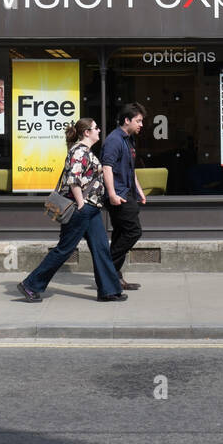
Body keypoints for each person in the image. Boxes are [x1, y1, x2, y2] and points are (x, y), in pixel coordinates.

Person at [18, 118, 125, 303]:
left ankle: (108, 290)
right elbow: (73, 180)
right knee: (64, 250)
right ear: (87, 132)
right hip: (82, 209)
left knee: (101, 248)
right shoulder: (79, 151)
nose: (99, 130)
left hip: (92, 209)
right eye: (96, 128)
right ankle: (30, 285)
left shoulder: (85, 151)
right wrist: (81, 203)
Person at [101, 102, 147, 290]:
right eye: (138, 121)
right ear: (126, 120)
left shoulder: (129, 139)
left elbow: (130, 168)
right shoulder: (114, 140)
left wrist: (139, 190)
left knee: (121, 233)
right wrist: (112, 194)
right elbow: (107, 167)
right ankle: (107, 270)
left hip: (128, 193)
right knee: (133, 231)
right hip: (119, 195)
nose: (141, 124)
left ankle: (114, 276)